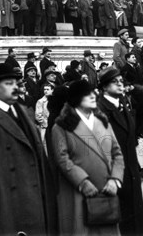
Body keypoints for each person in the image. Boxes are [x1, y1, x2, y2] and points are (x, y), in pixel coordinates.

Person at [0, 63, 57, 235]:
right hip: (4, 203)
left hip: (33, 199)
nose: (15, 87)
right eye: (9, 83)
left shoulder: (23, 111)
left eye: (16, 83)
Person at [51, 79, 125, 235]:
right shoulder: (62, 126)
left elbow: (117, 153)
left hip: (106, 190)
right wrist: (82, 181)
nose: (93, 96)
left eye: (93, 92)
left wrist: (115, 179)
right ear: (75, 99)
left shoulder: (103, 121)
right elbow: (62, 159)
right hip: (79, 193)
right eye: (86, 94)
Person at [97, 67, 143, 236]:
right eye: (114, 81)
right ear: (104, 87)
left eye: (121, 81)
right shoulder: (99, 110)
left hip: (131, 170)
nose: (120, 84)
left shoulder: (123, 104)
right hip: (114, 174)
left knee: (135, 217)